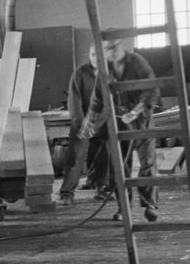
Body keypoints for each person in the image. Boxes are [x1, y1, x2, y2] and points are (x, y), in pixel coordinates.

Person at [79, 39, 161, 222]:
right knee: (120, 166)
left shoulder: (137, 62)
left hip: (142, 120)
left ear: (121, 46)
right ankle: (124, 207)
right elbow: (97, 98)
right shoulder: (105, 69)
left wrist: (135, 112)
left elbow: (152, 90)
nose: (110, 52)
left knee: (147, 163)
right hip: (119, 122)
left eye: (113, 48)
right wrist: (89, 121)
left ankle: (149, 204)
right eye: (106, 49)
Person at [59, 44, 110, 204]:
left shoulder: (109, 74)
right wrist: (83, 124)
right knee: (75, 157)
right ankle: (67, 192)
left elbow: (110, 100)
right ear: (89, 55)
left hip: (102, 123)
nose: (96, 59)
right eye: (93, 55)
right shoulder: (79, 74)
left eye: (99, 55)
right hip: (82, 123)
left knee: (104, 155)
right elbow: (74, 102)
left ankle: (101, 188)